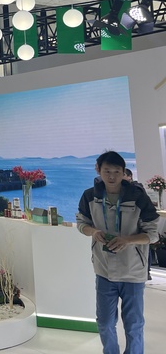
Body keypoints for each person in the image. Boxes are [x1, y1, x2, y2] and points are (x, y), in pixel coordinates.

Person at [76, 151, 159, 354]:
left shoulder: (137, 197)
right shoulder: (90, 196)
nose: (112, 176)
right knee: (104, 323)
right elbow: (81, 224)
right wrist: (93, 232)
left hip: (133, 271)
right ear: (98, 170)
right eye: (107, 171)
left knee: (134, 325)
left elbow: (153, 234)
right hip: (104, 269)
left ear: (124, 172)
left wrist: (128, 241)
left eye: (116, 171)